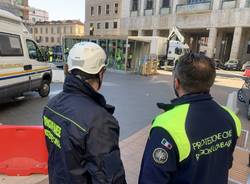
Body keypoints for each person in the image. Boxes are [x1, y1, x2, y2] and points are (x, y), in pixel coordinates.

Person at [139, 53, 241, 184]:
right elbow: (226, 163)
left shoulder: (166, 125)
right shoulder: (231, 118)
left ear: (177, 83)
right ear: (210, 82)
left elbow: (151, 179)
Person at [42, 42, 127, 184]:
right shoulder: (100, 122)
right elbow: (110, 179)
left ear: (67, 69)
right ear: (101, 73)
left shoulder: (51, 105)